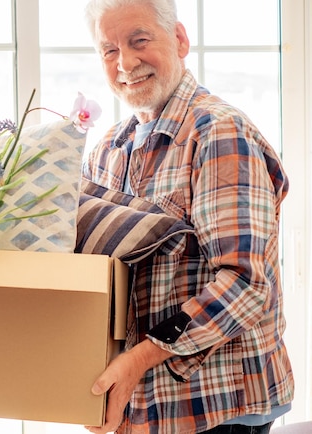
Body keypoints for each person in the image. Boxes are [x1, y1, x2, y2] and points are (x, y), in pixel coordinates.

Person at [81, 0, 295, 433]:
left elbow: (245, 285)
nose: (125, 62)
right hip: (146, 406)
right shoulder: (107, 150)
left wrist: (137, 362)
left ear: (179, 40)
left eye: (139, 40)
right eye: (109, 50)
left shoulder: (218, 133)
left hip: (221, 405)